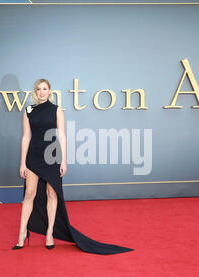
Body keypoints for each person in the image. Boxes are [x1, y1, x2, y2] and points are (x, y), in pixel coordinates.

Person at [12, 79, 133, 254]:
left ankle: (49, 233)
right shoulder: (28, 110)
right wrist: (22, 162)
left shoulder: (56, 110)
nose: (42, 92)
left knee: (51, 194)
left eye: (45, 89)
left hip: (52, 157)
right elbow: (25, 137)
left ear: (50, 91)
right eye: (39, 89)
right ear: (35, 92)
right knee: (29, 194)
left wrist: (64, 160)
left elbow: (62, 136)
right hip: (33, 157)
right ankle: (22, 233)